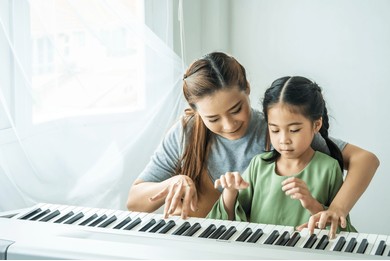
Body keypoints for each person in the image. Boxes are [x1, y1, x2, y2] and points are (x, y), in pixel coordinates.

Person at [127, 52, 379, 238]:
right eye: (213, 118)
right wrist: (171, 182)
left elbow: (365, 160)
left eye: (236, 109)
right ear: (196, 111)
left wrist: (336, 209)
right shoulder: (186, 133)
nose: (228, 125)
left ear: (247, 89)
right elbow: (135, 202)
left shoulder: (277, 131)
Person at [207, 76, 357, 234]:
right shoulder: (259, 165)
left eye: (293, 130)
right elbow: (225, 224)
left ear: (316, 125)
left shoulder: (329, 168)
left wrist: (311, 204)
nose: (283, 140)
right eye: (275, 130)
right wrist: (230, 192)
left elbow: (341, 229)